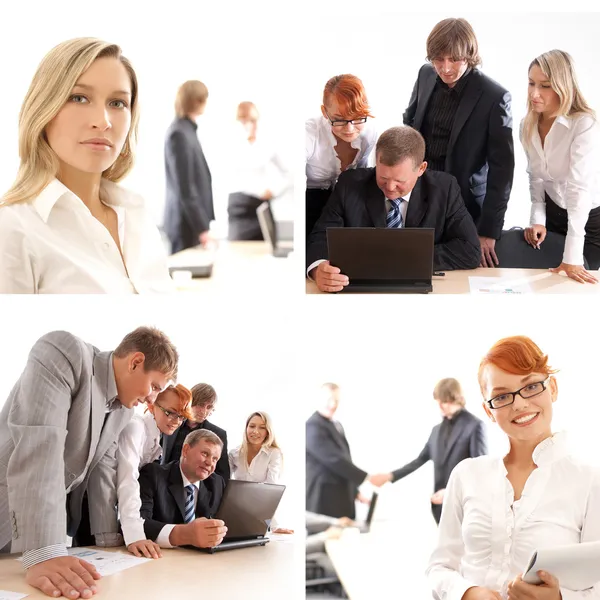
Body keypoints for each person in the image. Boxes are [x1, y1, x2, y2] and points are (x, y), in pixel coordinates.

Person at [0, 327, 178, 599]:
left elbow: (103, 472)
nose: (151, 399)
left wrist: (108, 542)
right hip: (12, 503)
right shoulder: (65, 353)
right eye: (154, 386)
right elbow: (41, 449)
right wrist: (45, 550)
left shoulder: (124, 411)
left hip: (28, 531)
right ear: (136, 362)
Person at [426, 335, 600, 600]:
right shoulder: (466, 474)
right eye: (503, 396)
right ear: (488, 411)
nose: (519, 403)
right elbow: (439, 567)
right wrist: (467, 593)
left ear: (552, 388)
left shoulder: (589, 480)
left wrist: (559, 598)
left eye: (531, 386)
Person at [0, 38, 173, 294]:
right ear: (43, 109)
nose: (103, 122)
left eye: (117, 103)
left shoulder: (136, 214)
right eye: (79, 98)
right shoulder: (12, 229)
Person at [306, 126, 481, 292]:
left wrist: (405, 259)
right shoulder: (349, 185)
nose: (390, 187)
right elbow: (321, 236)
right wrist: (317, 269)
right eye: (382, 177)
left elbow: (469, 250)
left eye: (399, 181)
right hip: (360, 291)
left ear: (421, 169)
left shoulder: (444, 188)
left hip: (421, 291)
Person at [403, 18, 514, 268]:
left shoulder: (495, 97)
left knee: (462, 270)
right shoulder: (425, 74)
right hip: (421, 189)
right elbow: (410, 122)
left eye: (454, 59)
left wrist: (489, 229)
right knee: (412, 262)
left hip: (464, 201)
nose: (445, 68)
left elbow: (502, 170)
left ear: (470, 55)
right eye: (438, 59)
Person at [521, 49, 600, 284]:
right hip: (555, 217)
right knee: (543, 281)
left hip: (591, 222)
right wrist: (538, 220)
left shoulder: (584, 124)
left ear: (564, 86)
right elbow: (536, 177)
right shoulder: (528, 125)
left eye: (545, 86)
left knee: (575, 288)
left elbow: (579, 189)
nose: (534, 93)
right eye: (531, 83)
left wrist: (573, 255)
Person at [369, 378, 487, 524]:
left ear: (456, 398)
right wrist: (389, 476)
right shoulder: (436, 430)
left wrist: (451, 492)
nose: (440, 406)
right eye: (438, 401)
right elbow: (419, 460)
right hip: (440, 508)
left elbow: (480, 472)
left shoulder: (475, 426)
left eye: (444, 401)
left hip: (466, 508)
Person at [117, 384, 193, 558]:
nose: (176, 421)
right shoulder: (136, 427)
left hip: (123, 509)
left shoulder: (158, 435)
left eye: (181, 416)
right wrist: (134, 535)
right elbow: (128, 478)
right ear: (151, 406)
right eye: (170, 412)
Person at [305, 74, 377, 239]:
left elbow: (360, 177)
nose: (350, 129)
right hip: (308, 197)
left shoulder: (369, 132)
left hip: (341, 198)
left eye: (357, 118)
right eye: (339, 120)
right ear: (325, 112)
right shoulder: (309, 134)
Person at [138, 429, 227, 549]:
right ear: (185, 450)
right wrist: (184, 534)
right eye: (205, 454)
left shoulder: (216, 483)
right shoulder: (153, 475)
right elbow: (138, 523)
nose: (209, 463)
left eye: (215, 459)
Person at [306, 383, 374, 519]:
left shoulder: (336, 425)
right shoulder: (313, 425)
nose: (332, 404)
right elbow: (335, 460)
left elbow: (344, 458)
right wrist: (367, 477)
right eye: (328, 399)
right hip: (324, 500)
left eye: (336, 400)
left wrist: (355, 491)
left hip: (340, 497)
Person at [227, 101, 293, 240]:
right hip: (238, 207)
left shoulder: (267, 144)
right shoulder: (231, 143)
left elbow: (287, 175)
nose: (253, 125)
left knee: (265, 250)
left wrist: (274, 191)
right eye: (249, 120)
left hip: (260, 206)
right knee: (238, 249)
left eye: (255, 120)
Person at [163, 80, 215, 254]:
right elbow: (185, 187)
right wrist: (202, 228)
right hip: (184, 225)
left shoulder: (188, 130)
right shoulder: (179, 133)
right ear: (197, 101)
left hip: (190, 223)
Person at [229, 411, 293, 534]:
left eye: (262, 428)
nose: (255, 431)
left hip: (259, 514)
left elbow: (271, 490)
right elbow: (223, 485)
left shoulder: (273, 454)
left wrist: (274, 525)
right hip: (236, 511)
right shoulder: (234, 453)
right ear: (246, 428)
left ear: (268, 431)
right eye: (252, 426)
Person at [161, 383, 229, 481]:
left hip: (196, 489)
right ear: (190, 402)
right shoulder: (171, 423)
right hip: (164, 483)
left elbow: (222, 475)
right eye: (201, 405)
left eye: (209, 407)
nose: (204, 411)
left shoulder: (218, 434)